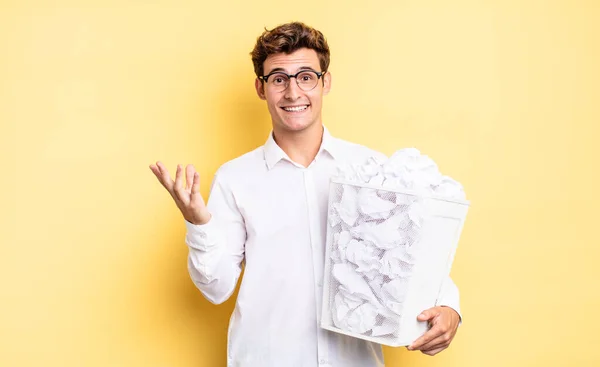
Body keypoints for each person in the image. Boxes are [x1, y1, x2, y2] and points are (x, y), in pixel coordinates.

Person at [150, 21, 461, 367]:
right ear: (260, 87)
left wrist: (449, 307)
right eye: (278, 79)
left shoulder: (369, 168)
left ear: (325, 82)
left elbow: (411, 250)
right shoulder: (235, 178)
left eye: (306, 77)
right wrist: (199, 223)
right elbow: (216, 288)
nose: (293, 93)